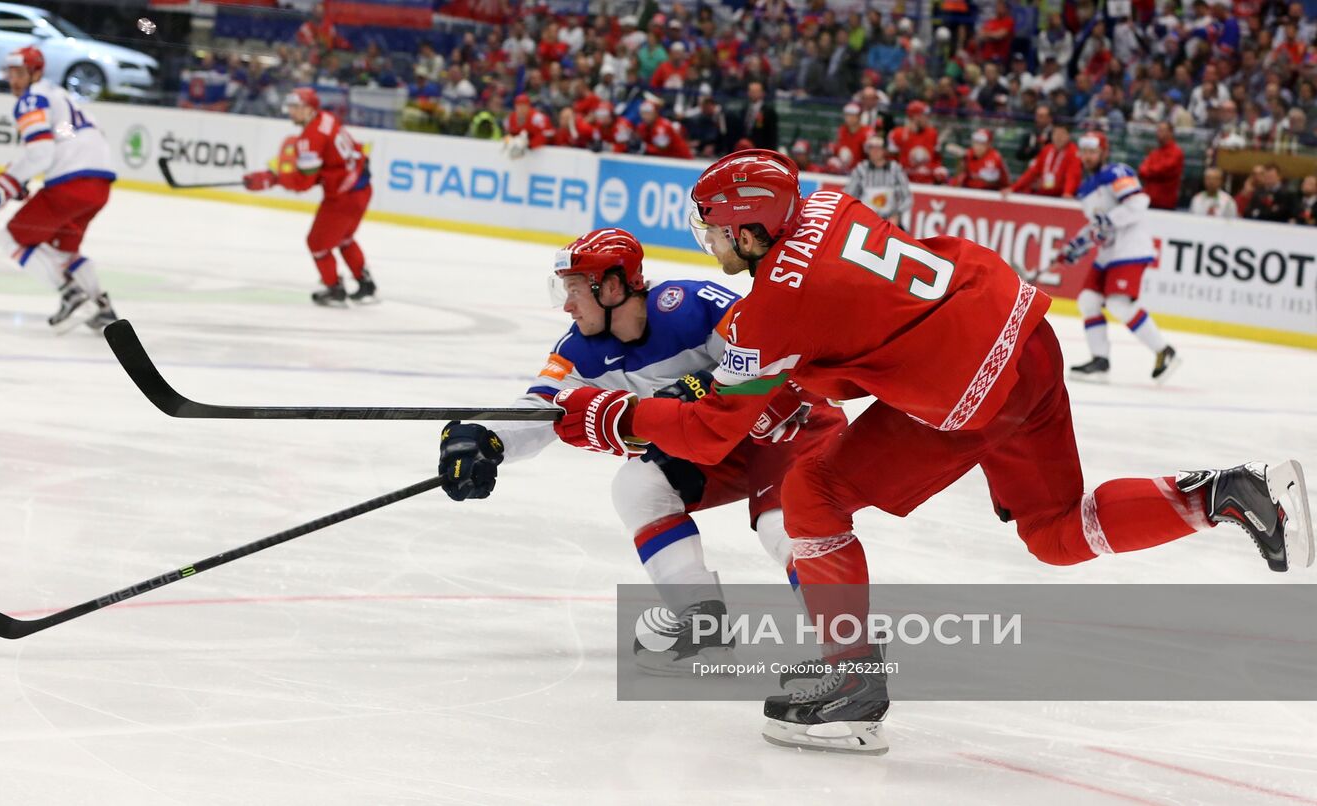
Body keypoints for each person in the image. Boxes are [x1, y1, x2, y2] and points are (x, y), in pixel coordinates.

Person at [548, 149, 1312, 754]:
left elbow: (717, 429)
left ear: (749, 231)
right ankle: (1222, 494)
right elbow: (854, 327)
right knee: (1055, 532)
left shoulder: (770, 309)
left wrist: (615, 416)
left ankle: (850, 685)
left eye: (715, 227)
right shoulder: (828, 205)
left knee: (813, 495)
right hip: (1024, 335)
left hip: (969, 397)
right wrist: (757, 385)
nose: (709, 241)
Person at [438, 228, 848, 673]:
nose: (567, 305)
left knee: (780, 524)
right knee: (638, 485)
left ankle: (846, 651)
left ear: (612, 286)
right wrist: (487, 440)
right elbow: (543, 407)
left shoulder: (692, 304)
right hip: (714, 439)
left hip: (784, 420)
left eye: (575, 290)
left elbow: (767, 351)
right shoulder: (578, 349)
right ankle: (701, 622)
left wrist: (702, 386)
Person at [0, 46, 120, 332]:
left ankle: (68, 292)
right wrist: (16, 181)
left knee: (10, 238)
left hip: (70, 183)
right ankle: (102, 306)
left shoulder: (32, 99)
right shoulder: (60, 96)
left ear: (36, 72)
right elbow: (47, 150)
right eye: (10, 74)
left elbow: (40, 153)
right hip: (99, 186)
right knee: (62, 251)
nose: (14, 81)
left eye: (19, 73)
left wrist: (4, 186)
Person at [1054, 132, 1178, 383]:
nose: (1088, 156)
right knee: (1088, 300)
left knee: (1119, 305)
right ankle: (1100, 360)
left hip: (1130, 247)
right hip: (1109, 251)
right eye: (1084, 151)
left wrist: (1107, 221)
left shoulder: (1117, 173)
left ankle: (1164, 351)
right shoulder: (1085, 188)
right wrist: (1076, 246)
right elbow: (1097, 227)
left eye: (1093, 151)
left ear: (1103, 152)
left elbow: (1138, 202)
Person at [242, 88, 375, 307]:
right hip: (361, 189)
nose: (291, 112)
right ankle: (366, 285)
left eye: (296, 107)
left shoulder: (309, 138)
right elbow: (323, 167)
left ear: (309, 109)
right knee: (344, 239)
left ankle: (334, 289)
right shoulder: (327, 118)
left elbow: (303, 183)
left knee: (317, 243)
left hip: (343, 196)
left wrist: (272, 179)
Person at [842, 136, 912, 225]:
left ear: (884, 150)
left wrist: (897, 215)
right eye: (871, 148)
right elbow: (849, 194)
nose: (875, 151)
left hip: (889, 221)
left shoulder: (895, 169)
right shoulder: (861, 169)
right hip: (864, 219)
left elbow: (907, 198)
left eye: (878, 148)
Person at [887, 100, 942, 184]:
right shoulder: (897, 134)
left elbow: (936, 159)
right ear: (915, 116)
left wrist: (937, 170)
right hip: (904, 183)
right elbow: (891, 161)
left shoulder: (933, 133)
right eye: (925, 115)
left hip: (928, 183)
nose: (927, 118)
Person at [1137, 122, 1186, 210]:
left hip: (1165, 204)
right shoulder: (1155, 152)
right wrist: (1150, 171)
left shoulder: (1176, 152)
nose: (1158, 133)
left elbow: (1161, 170)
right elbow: (1141, 170)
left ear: (1171, 133)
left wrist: (1149, 171)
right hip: (1148, 200)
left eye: (1162, 130)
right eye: (1158, 130)